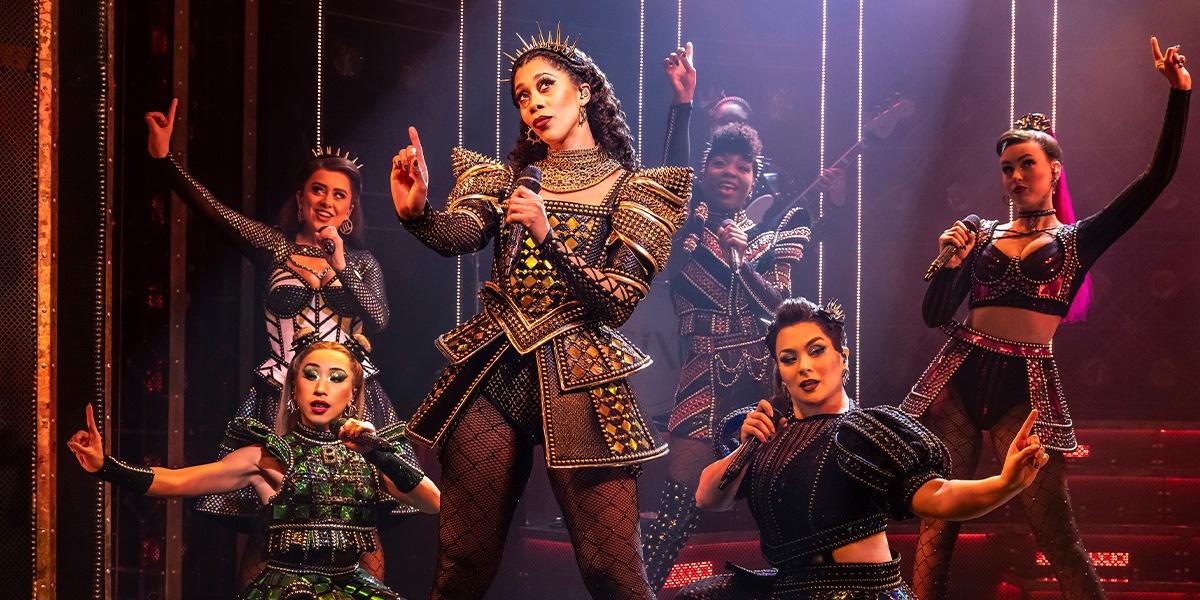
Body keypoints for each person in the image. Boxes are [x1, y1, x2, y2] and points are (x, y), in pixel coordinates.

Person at [390, 28, 692, 599]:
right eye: (521, 96)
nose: (532, 103)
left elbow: (617, 300)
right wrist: (418, 214)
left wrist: (549, 237)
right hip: (494, 368)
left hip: (582, 372)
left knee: (612, 572)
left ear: (584, 94)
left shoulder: (634, 190)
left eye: (545, 86)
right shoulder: (505, 180)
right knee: (463, 564)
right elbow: (462, 233)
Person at [903, 37, 1189, 600]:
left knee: (1056, 531)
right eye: (1006, 167)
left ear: (1054, 170)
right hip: (957, 377)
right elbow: (934, 315)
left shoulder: (1078, 240)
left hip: (1024, 387)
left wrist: (1179, 96)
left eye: (1026, 164)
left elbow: (1155, 180)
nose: (1014, 176)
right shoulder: (979, 233)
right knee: (937, 524)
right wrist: (948, 264)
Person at [145, 98, 414, 582]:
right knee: (272, 525)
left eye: (339, 195)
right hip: (282, 398)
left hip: (352, 401)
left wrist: (339, 266)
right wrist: (165, 161)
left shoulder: (362, 261)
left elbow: (378, 317)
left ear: (351, 207)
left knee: (359, 523)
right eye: (318, 191)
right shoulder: (274, 247)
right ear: (301, 197)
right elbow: (215, 213)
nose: (327, 202)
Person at [675, 297, 1048, 599]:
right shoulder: (767, 431)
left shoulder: (865, 431)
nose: (804, 366)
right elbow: (709, 498)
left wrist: (1005, 484)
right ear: (780, 372)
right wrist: (747, 448)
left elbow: (939, 496)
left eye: (816, 351)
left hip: (860, 592)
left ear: (843, 358)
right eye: (789, 359)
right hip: (787, 588)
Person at [68, 337, 441, 600]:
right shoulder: (265, 456)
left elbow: (433, 503)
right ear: (294, 389)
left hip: (353, 585)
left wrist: (378, 452)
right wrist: (106, 467)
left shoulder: (370, 455)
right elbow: (178, 481)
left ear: (353, 393)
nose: (321, 387)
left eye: (336, 377)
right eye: (310, 375)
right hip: (288, 591)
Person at [642, 121, 814, 590]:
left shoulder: (773, 235)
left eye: (742, 166)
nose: (731, 173)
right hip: (702, 376)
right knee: (678, 508)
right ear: (704, 170)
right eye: (720, 162)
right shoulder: (683, 229)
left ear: (754, 179)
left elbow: (784, 311)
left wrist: (746, 259)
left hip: (765, 385)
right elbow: (667, 189)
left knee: (789, 502)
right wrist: (680, 106)